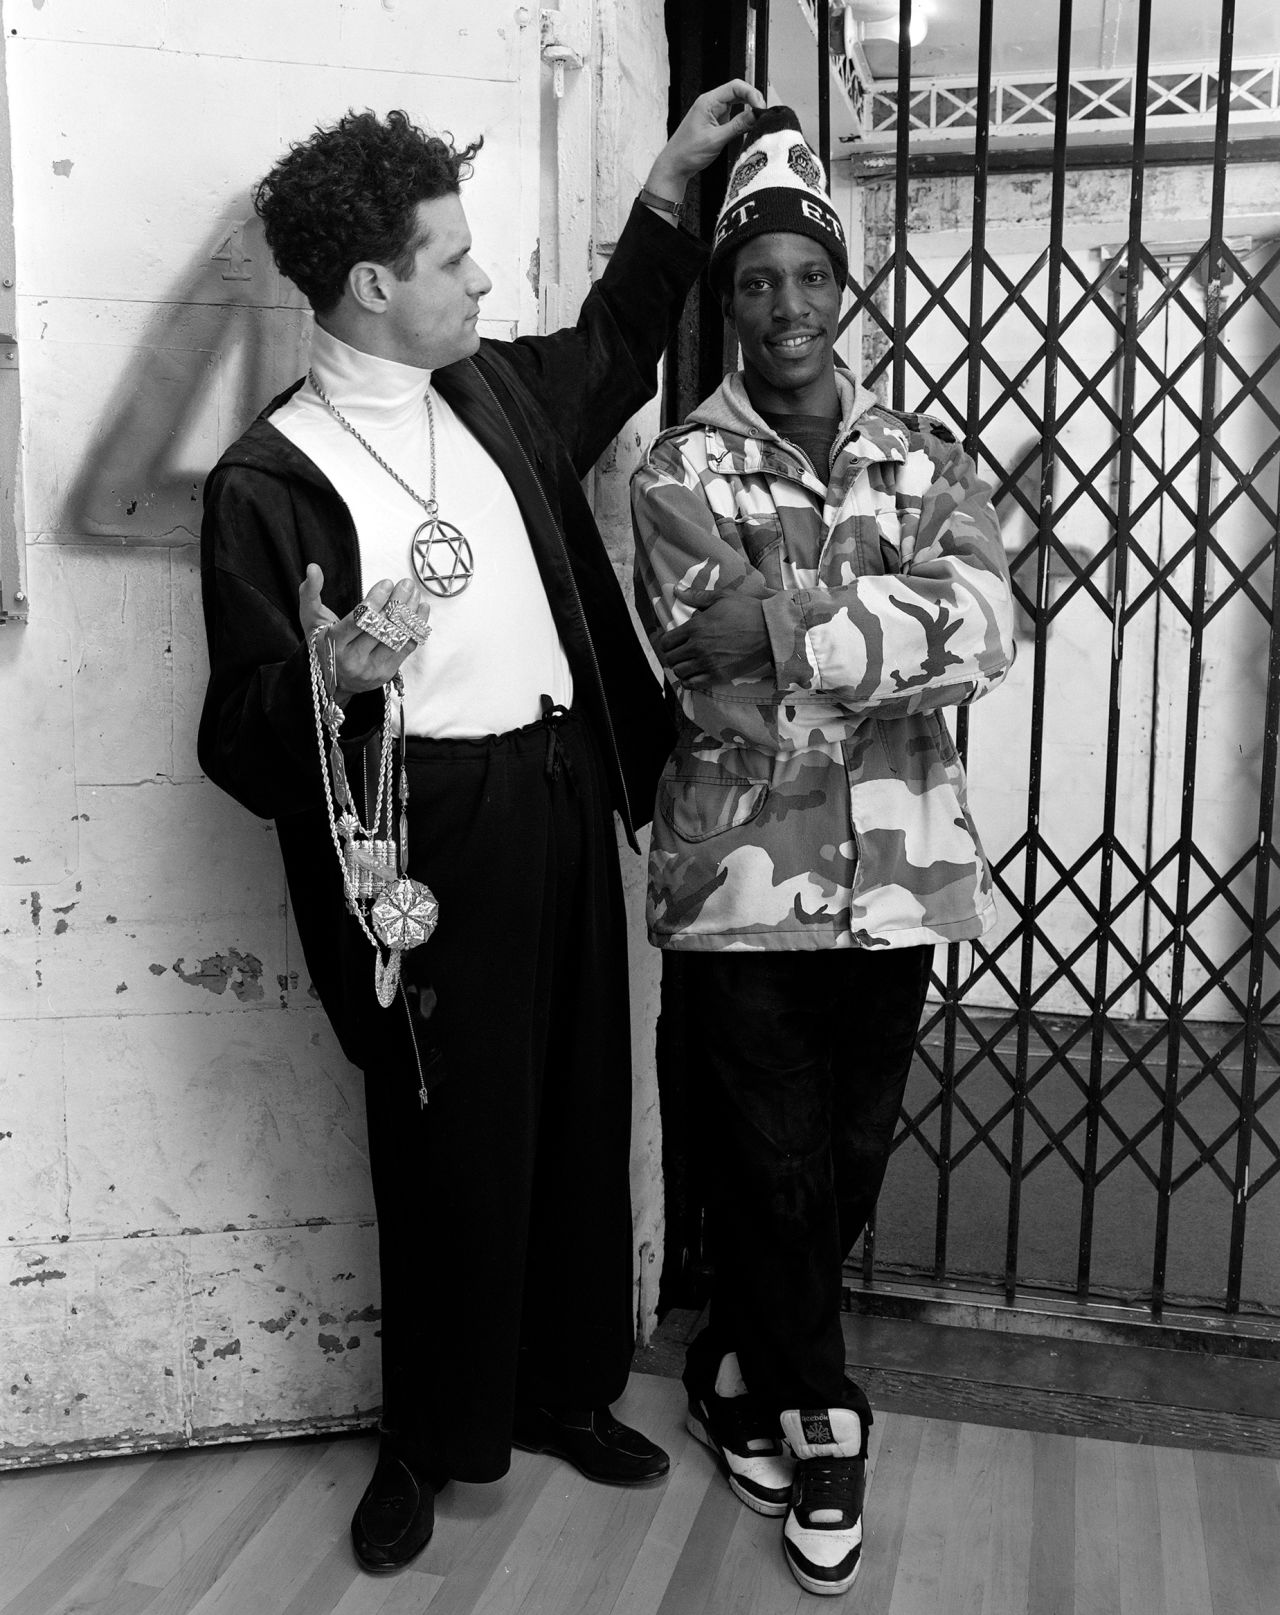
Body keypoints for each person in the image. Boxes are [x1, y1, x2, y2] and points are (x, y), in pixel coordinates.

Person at [197, 82, 765, 1575]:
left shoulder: (496, 394)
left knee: (581, 1107)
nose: (484, 279)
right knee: (451, 1144)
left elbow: (613, 342)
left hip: (569, 793)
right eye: (454, 260)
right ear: (374, 286)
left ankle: (563, 1392)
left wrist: (667, 191)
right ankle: (430, 1436)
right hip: (429, 840)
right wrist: (325, 673)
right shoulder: (274, 480)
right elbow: (237, 737)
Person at [630, 106, 1014, 1598]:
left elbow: (987, 632)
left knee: (845, 1157)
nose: (785, 310)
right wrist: (884, 625)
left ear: (842, 289)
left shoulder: (924, 455)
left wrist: (791, 624)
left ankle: (735, 1366)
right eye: (754, 285)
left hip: (901, 878)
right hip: (739, 882)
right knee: (770, 1164)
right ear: (725, 303)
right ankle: (825, 1420)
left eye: (809, 279)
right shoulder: (678, 470)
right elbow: (698, 664)